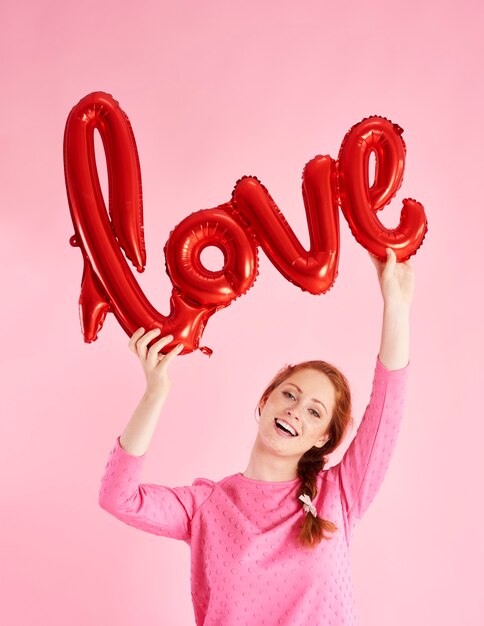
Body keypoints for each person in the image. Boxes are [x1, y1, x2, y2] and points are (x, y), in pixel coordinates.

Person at [99, 247, 414, 626]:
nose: (295, 410)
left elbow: (387, 408)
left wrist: (396, 306)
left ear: (322, 439)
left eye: (314, 411)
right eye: (289, 395)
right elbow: (118, 497)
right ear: (265, 402)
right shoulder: (206, 506)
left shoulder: (338, 495)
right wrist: (155, 393)